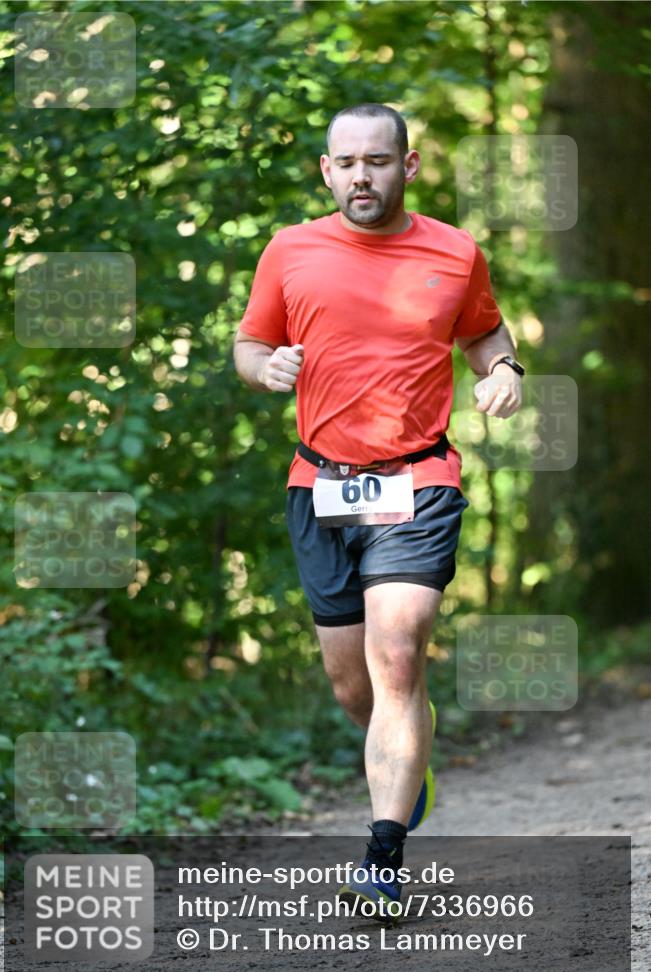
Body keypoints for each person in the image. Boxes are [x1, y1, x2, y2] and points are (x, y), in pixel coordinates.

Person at [234, 102, 524, 922]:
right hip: (320, 486)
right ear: (326, 171)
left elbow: (485, 336)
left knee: (397, 652)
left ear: (409, 165)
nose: (363, 175)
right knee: (352, 682)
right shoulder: (289, 251)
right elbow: (249, 344)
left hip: (418, 478)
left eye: (378, 161)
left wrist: (507, 370)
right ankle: (408, 753)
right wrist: (266, 369)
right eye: (347, 163)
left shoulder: (453, 252)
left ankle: (383, 859)